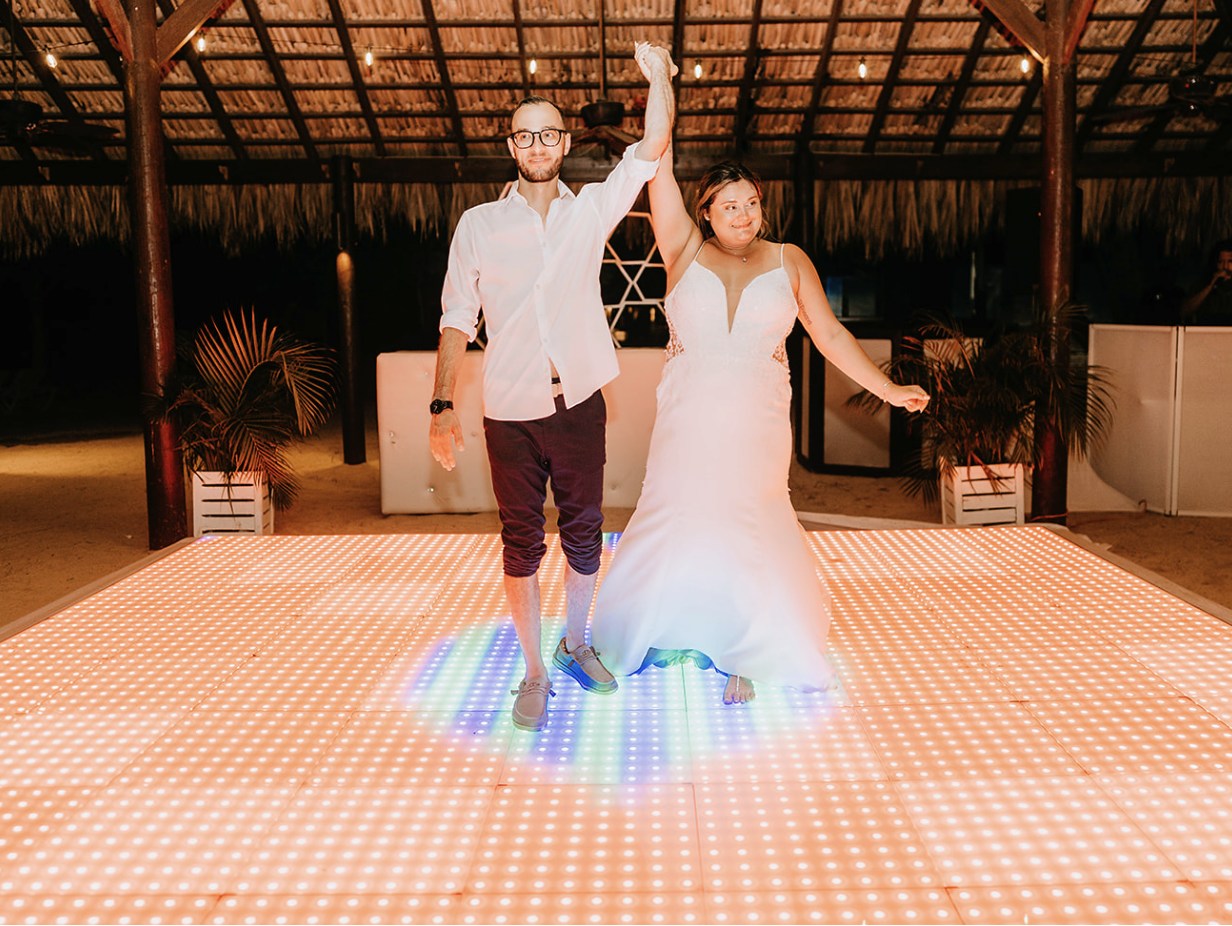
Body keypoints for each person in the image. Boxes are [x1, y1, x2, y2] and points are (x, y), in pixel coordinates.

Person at [590, 145, 930, 706]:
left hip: (758, 422)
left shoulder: (789, 260)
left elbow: (830, 336)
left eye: (751, 203)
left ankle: (749, 652)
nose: (743, 215)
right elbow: (661, 166)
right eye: (729, 206)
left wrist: (889, 389)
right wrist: (660, 83)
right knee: (675, 515)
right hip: (688, 421)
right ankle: (652, 627)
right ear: (706, 212)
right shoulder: (681, 248)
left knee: (749, 525)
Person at [428, 43, 678, 732]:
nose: (537, 144)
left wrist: (657, 78)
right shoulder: (478, 225)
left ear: (564, 142)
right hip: (509, 410)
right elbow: (455, 318)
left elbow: (653, 144)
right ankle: (534, 670)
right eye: (524, 133)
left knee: (586, 534)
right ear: (512, 144)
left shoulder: (589, 211)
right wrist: (441, 405)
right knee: (520, 542)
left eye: (548, 132)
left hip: (580, 405)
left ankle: (576, 642)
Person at [1179, 240, 1232, 324]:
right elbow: (1184, 312)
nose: (1225, 267)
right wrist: (1211, 286)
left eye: (1230, 262)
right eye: (1220, 262)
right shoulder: (1202, 285)